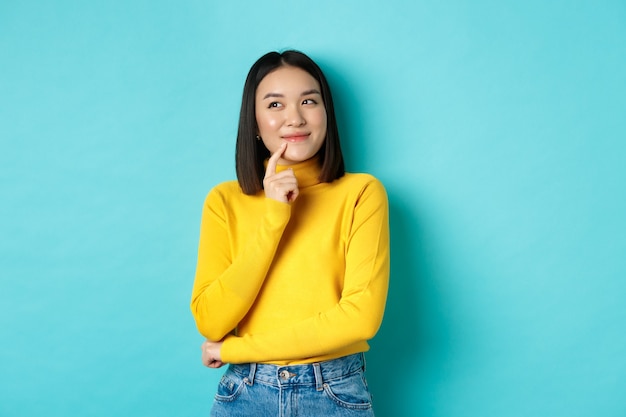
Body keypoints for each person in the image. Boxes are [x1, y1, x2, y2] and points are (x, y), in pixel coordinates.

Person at [190, 50, 390, 417]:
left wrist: (234, 350)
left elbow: (360, 318)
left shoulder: (361, 193)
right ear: (254, 121)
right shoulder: (224, 200)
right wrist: (274, 218)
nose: (294, 118)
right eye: (275, 104)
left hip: (333, 393)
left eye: (308, 101)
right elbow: (210, 319)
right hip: (246, 394)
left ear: (326, 113)